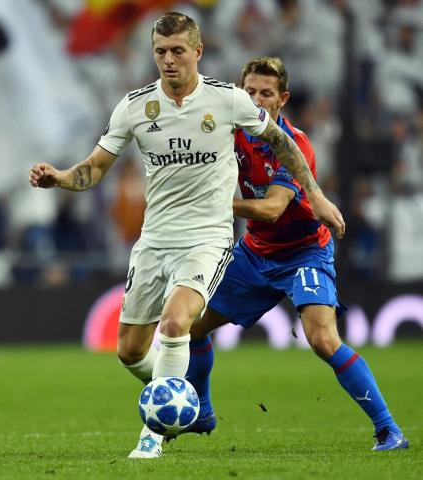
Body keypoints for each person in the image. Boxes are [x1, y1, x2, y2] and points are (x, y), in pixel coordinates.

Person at [29, 12, 345, 459]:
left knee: (177, 324)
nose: (169, 60)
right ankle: (185, 399)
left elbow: (282, 142)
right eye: (161, 52)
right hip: (154, 240)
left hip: (208, 238)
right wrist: (60, 178)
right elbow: (95, 168)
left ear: (198, 51)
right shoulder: (135, 107)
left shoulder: (228, 100)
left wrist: (315, 196)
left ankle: (153, 436)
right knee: (130, 352)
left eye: (178, 51)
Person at [184, 56, 409, 452]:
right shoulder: (229, 134)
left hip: (304, 253)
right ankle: (202, 409)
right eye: (249, 91)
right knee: (193, 326)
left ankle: (389, 430)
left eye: (265, 94)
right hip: (254, 254)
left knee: (322, 339)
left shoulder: (295, 144)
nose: (255, 100)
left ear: (282, 99)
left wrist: (215, 202)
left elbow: (272, 209)